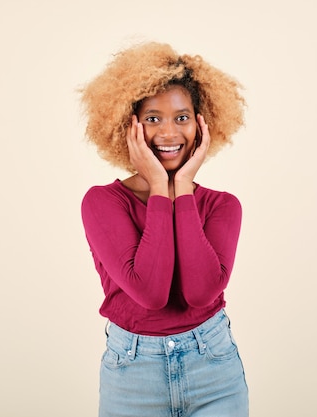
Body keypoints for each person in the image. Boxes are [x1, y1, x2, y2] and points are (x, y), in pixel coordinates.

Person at [79, 42, 249, 417]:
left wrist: (182, 188)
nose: (169, 132)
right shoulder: (102, 203)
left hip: (215, 370)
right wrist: (159, 186)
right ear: (130, 126)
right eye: (153, 118)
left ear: (202, 124)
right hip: (133, 376)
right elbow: (151, 293)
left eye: (182, 117)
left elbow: (202, 292)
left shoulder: (223, 206)